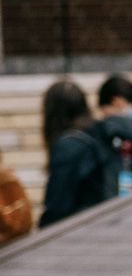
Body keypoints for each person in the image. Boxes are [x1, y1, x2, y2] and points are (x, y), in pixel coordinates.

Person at [38, 80, 106, 225]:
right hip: (106, 220)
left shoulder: (68, 146)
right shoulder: (97, 131)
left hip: (81, 229)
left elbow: (58, 203)